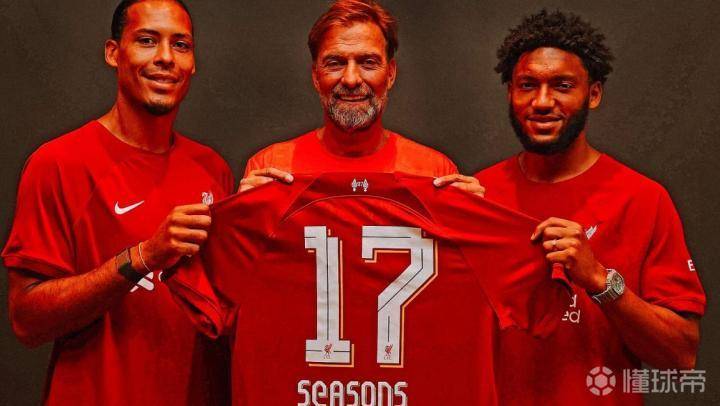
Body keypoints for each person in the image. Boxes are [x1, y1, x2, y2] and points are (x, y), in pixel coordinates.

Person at [2, 0, 233, 404]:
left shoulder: (213, 169)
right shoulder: (59, 163)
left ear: (193, 62)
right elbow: (27, 321)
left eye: (180, 45)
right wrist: (143, 256)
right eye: (147, 41)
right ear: (114, 53)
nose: (166, 57)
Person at [474, 9, 706, 405]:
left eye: (562, 86)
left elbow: (681, 355)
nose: (542, 102)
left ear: (593, 94)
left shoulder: (643, 198)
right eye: (527, 85)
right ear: (510, 92)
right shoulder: (477, 196)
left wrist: (600, 281)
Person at [238, 0, 482, 196]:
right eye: (335, 63)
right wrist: (241, 217)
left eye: (368, 62)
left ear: (391, 74)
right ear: (315, 76)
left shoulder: (434, 173)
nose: (351, 79)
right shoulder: (270, 168)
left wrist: (474, 223)